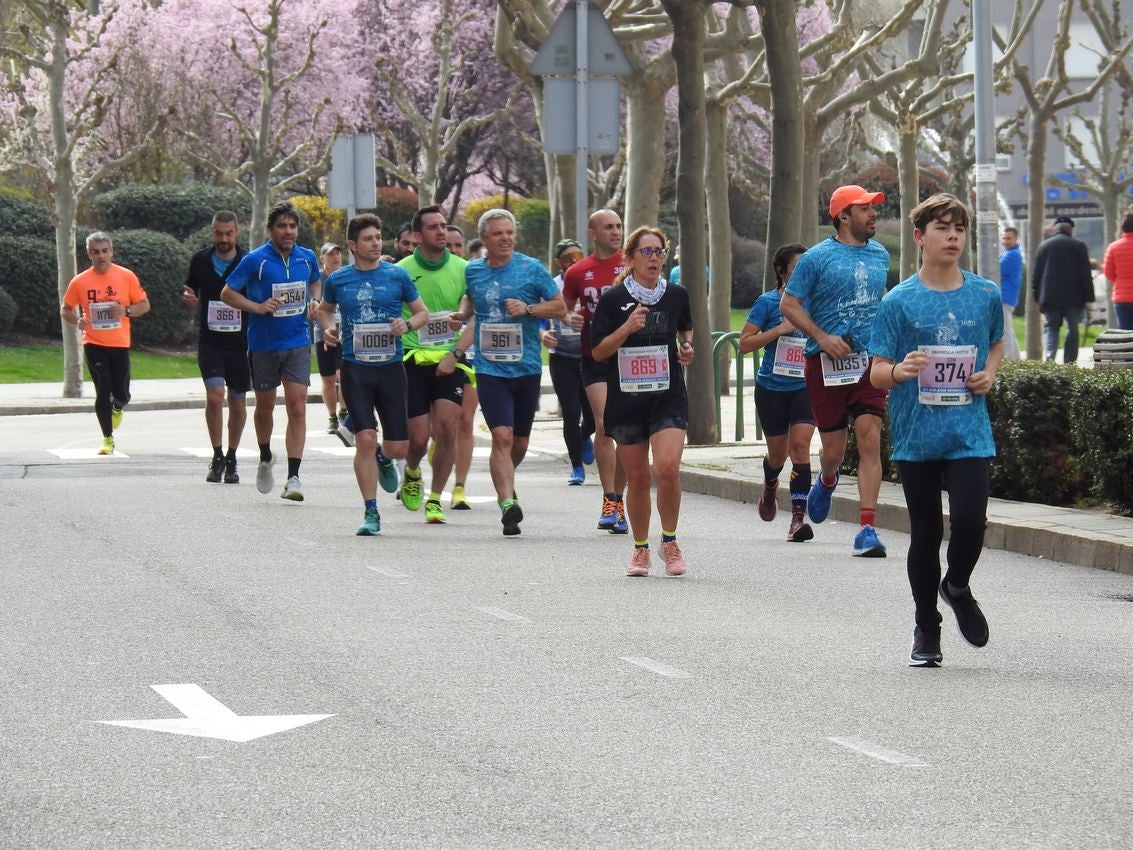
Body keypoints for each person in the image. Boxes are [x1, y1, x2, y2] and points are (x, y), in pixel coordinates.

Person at [868, 193, 1003, 667]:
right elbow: (876, 371)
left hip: (968, 429)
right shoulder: (898, 301)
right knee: (926, 531)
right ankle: (927, 626)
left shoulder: (984, 293)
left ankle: (957, 585)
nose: (953, 237)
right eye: (943, 228)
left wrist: (990, 373)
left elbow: (996, 343)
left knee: (970, 520)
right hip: (916, 433)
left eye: (959, 229)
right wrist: (900, 371)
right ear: (920, 237)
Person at [780, 184, 890, 558]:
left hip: (869, 363)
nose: (873, 214)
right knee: (834, 450)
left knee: (870, 436)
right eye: (865, 208)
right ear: (843, 216)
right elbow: (789, 305)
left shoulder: (880, 255)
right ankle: (827, 478)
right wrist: (822, 337)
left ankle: (867, 529)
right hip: (824, 365)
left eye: (874, 208)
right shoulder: (817, 258)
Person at [590, 226, 693, 577]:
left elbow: (684, 331)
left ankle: (670, 540)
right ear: (631, 257)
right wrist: (626, 328)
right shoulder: (612, 300)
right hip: (627, 401)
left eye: (659, 252)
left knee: (667, 468)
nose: (653, 258)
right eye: (646, 252)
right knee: (636, 477)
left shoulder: (676, 295)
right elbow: (599, 351)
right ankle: (640, 549)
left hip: (667, 398)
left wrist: (687, 348)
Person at [318, 213, 429, 535]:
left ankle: (384, 457)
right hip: (355, 369)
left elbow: (421, 313)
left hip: (391, 368)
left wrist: (406, 325)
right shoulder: (338, 280)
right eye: (368, 239)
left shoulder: (397, 276)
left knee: (398, 448)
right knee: (364, 438)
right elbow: (325, 310)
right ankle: (371, 511)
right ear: (353, 245)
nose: (376, 243)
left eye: (378, 237)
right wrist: (328, 329)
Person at [463, 208, 567, 536]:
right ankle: (507, 502)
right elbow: (471, 305)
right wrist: (460, 314)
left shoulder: (531, 268)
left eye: (510, 232)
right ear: (484, 240)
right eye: (498, 234)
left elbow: (561, 307)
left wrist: (529, 309)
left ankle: (506, 480)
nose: (506, 238)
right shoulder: (473, 272)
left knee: (520, 440)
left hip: (526, 367)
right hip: (490, 367)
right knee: (501, 435)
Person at [221, 201, 321, 501]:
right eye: (282, 226)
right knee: (265, 408)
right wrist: (257, 307)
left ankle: (294, 478)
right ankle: (265, 457)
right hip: (264, 344)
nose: (288, 231)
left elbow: (315, 282)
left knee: (297, 405)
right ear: (271, 229)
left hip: (298, 341)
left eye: (292, 226)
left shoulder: (307, 257)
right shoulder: (256, 260)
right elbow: (227, 293)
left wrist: (315, 301)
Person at [396, 205, 473, 524]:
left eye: (443, 226)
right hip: (411, 358)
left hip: (449, 358)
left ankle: (436, 498)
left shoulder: (464, 268)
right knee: (416, 438)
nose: (441, 231)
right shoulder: (400, 271)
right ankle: (412, 471)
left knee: (447, 427)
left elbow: (474, 311)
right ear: (417, 236)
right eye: (433, 227)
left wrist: (455, 350)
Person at [739, 243, 816, 543]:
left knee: (800, 447)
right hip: (771, 388)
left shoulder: (816, 302)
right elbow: (745, 343)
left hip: (805, 387)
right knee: (778, 455)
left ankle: (798, 519)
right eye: (797, 268)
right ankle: (770, 484)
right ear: (782, 272)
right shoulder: (768, 303)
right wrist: (778, 331)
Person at [562, 209, 629, 533]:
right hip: (594, 357)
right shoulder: (578, 272)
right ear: (593, 233)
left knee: (628, 430)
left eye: (618, 226)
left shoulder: (632, 267)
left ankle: (621, 502)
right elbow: (564, 307)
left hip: (630, 359)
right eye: (609, 227)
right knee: (604, 426)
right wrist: (569, 319)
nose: (615, 232)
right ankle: (609, 497)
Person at [60, 231, 150, 456]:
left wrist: (126, 310)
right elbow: (66, 309)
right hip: (94, 342)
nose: (101, 256)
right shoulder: (80, 281)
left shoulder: (126, 276)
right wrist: (78, 321)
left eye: (105, 251)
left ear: (111, 252)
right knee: (103, 389)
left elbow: (144, 305)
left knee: (122, 393)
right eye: (96, 252)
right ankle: (107, 438)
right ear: (89, 254)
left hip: (119, 343)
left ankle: (118, 406)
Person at [182, 211, 248, 482]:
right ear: (212, 232)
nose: (224, 239)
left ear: (236, 232)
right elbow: (191, 289)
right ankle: (217, 454)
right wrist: (188, 297)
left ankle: (232, 457)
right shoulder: (200, 260)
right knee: (214, 396)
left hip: (241, 344)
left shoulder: (248, 261)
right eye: (219, 233)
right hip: (210, 342)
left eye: (228, 233)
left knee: (237, 402)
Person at [543, 238, 595, 484]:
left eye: (578, 256)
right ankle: (576, 468)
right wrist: (544, 335)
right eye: (568, 259)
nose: (574, 262)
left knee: (595, 416)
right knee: (571, 412)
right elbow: (539, 320)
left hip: (589, 356)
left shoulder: (590, 283)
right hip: (562, 358)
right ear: (558, 263)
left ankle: (585, 436)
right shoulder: (552, 288)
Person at [1031, 215, 1093, 363]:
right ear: (1071, 229)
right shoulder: (1079, 246)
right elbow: (1085, 274)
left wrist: (1037, 297)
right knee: (1073, 329)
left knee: (1051, 328)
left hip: (1050, 297)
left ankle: (1050, 357)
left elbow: (1036, 275)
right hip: (1074, 297)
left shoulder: (1044, 246)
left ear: (1055, 229)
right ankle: (1069, 361)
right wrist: (1089, 298)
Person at [314, 242, 345, 433]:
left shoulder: (347, 275)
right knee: (328, 379)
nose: (335, 257)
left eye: (338, 253)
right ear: (322, 258)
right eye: (330, 254)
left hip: (345, 333)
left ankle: (344, 412)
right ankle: (332, 416)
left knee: (343, 375)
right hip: (322, 333)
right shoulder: (317, 279)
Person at [1103, 211, 1133, 330]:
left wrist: (1120, 281)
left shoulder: (1113, 247)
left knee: (1125, 332)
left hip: (1122, 297)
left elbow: (1108, 272)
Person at [998, 226, 1023, 359]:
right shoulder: (1009, 253)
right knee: (1008, 330)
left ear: (1016, 239)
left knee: (1005, 331)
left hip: (1005, 297)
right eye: (1004, 238)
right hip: (1007, 297)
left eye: (1009, 238)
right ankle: (1015, 358)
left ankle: (1010, 359)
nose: (1005, 241)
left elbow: (996, 270)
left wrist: (999, 275)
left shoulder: (1012, 254)